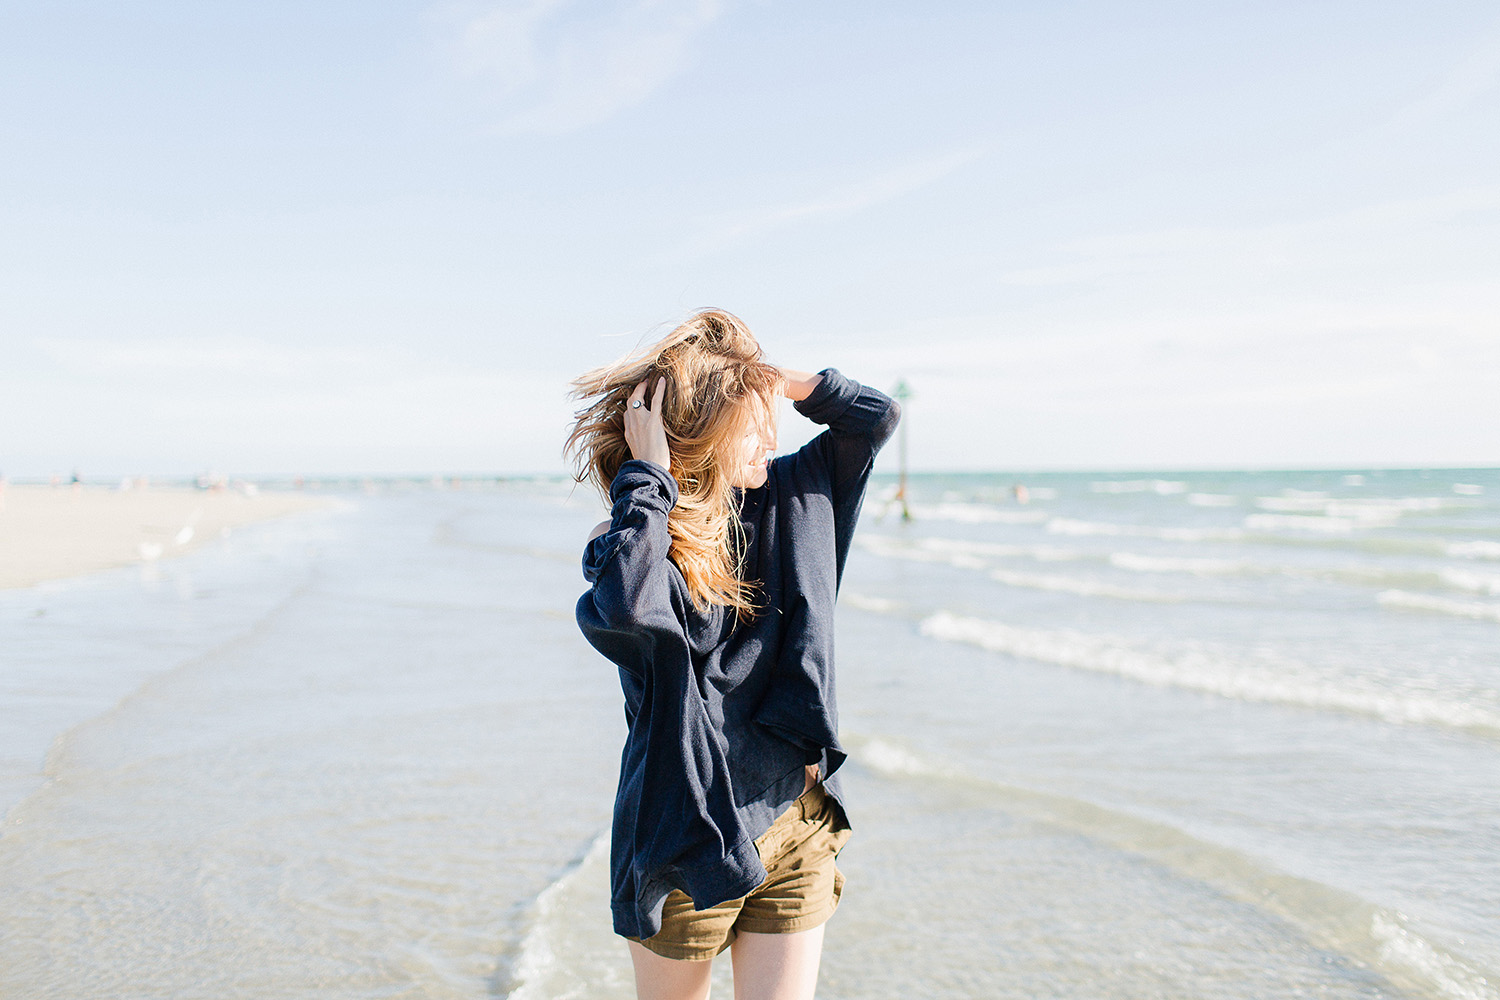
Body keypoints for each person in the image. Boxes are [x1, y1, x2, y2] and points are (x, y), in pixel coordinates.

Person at [565, 309, 900, 1000]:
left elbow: (874, 417)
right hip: (689, 832)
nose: (772, 435)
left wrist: (783, 381)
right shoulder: (635, 536)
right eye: (752, 421)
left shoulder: (799, 495)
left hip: (798, 819)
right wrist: (650, 475)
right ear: (707, 430)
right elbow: (630, 608)